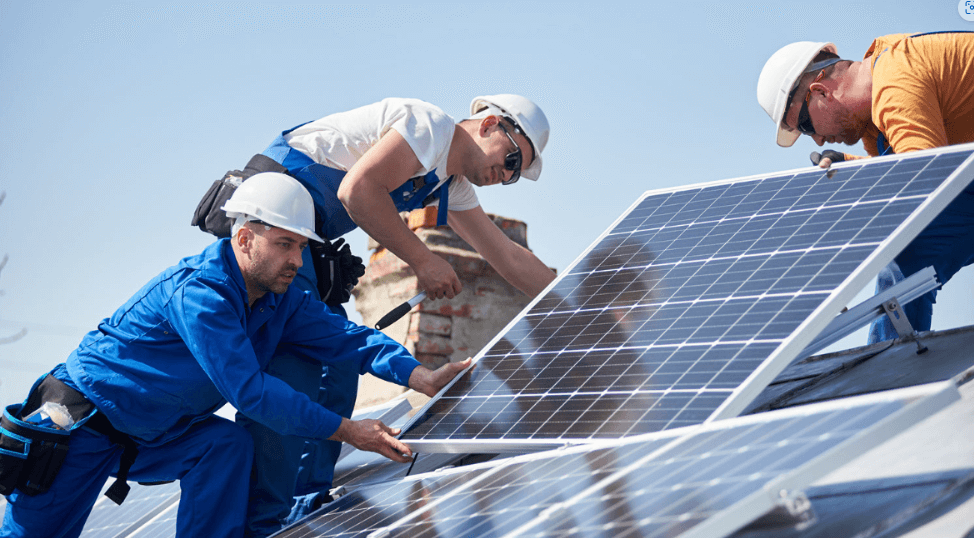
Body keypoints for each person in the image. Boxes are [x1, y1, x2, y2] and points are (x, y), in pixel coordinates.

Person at [0, 172, 468, 538]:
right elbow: (251, 392)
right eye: (285, 244)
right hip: (79, 428)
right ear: (244, 239)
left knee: (223, 447)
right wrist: (348, 431)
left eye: (301, 247)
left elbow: (348, 338)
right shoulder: (199, 295)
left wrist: (418, 375)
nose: (296, 261)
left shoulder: (281, 298)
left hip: (152, 436)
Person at [194, 95, 557, 536]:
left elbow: (506, 256)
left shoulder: (450, 184)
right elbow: (357, 192)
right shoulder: (429, 126)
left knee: (339, 370)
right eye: (512, 159)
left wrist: (579, 299)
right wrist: (424, 260)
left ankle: (306, 506)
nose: (507, 176)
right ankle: (264, 520)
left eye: (516, 175)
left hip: (309, 240)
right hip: (277, 230)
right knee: (297, 371)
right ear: (491, 124)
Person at [756, 32, 974, 343]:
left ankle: (893, 368)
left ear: (820, 92)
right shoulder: (875, 125)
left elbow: (925, 180)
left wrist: (837, 263)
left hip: (955, 178)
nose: (817, 140)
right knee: (906, 262)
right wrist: (853, 168)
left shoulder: (895, 78)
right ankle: (895, 370)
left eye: (806, 126)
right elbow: (907, 179)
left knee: (905, 251)